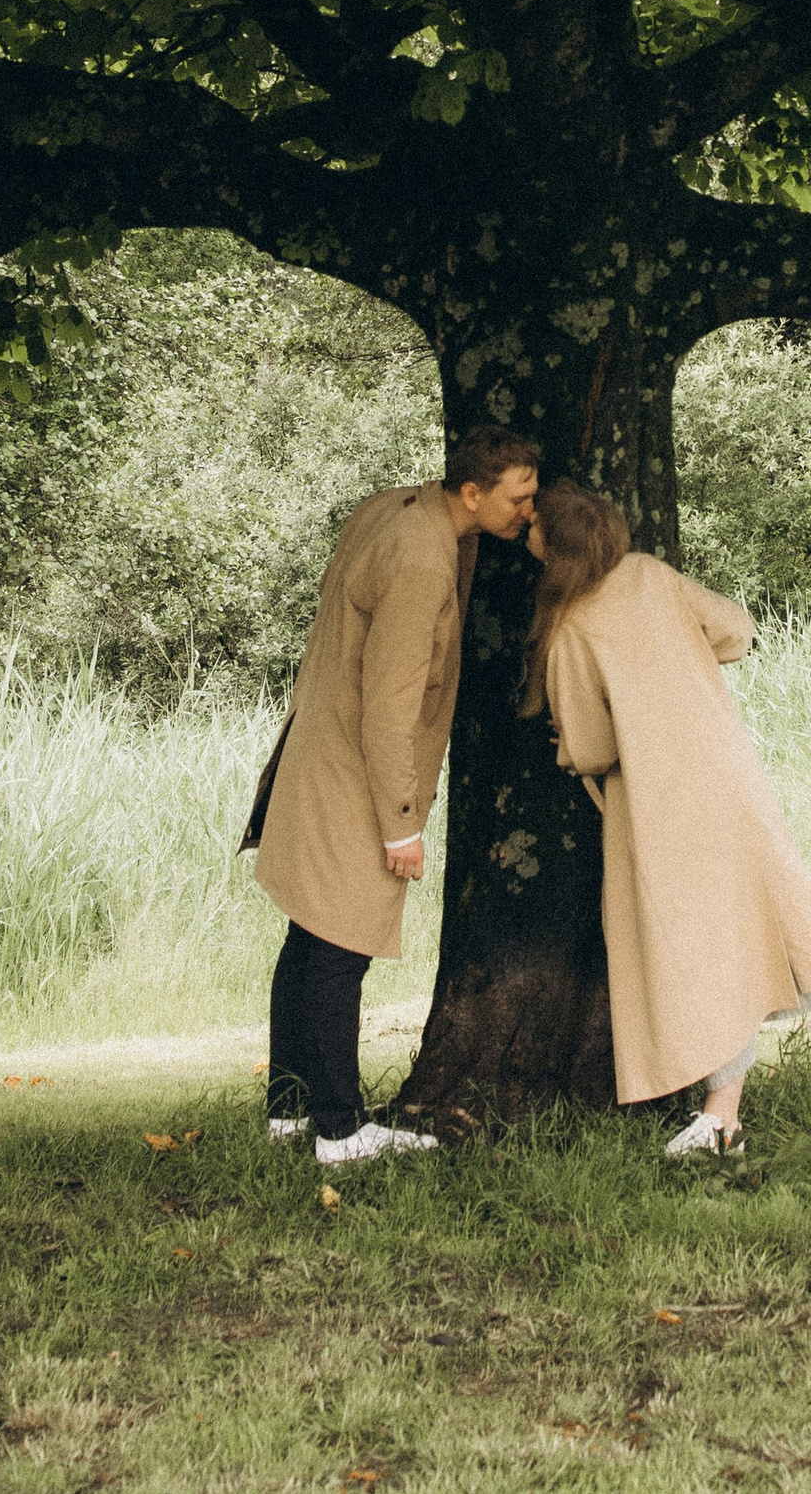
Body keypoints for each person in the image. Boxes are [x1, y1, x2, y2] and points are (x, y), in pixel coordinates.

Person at [525, 478, 811, 1159]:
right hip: (727, 771)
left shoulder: (571, 625)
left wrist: (569, 745)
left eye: (534, 527)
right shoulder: (649, 575)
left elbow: (592, 748)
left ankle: (723, 1120)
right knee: (791, 903)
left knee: (701, 947)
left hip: (660, 805)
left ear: (556, 547)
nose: (527, 535)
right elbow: (736, 630)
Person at [244, 426, 541, 1163]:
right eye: (519, 497)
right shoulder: (420, 559)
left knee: (311, 934)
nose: (530, 511)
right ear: (470, 493)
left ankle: (289, 1110)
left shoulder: (398, 509)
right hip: (356, 770)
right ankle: (340, 1129)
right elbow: (390, 704)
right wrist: (401, 823)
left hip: (323, 749)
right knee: (342, 945)